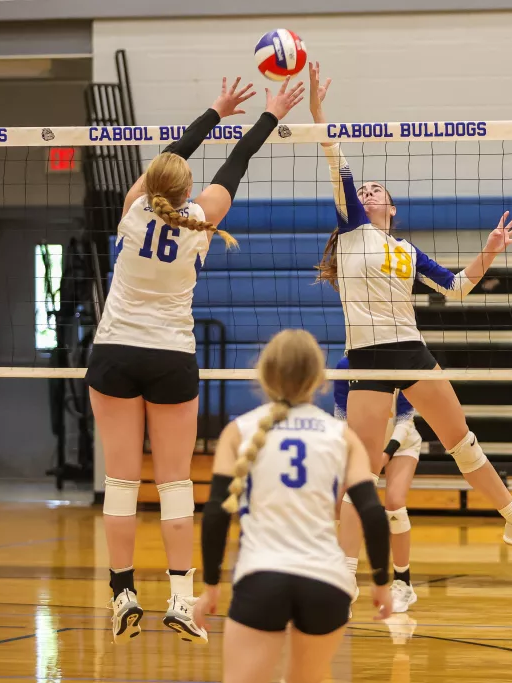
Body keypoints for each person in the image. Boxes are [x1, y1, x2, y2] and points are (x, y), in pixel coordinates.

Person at [308, 62, 512, 555]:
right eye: (362, 190)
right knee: (361, 474)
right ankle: (340, 573)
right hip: (364, 356)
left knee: (461, 441)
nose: (366, 192)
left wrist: (491, 250)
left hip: (410, 353)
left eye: (375, 190)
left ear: (392, 207)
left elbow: (456, 288)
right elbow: (332, 155)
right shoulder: (351, 231)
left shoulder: (407, 252)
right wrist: (318, 112)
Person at [85, 75, 304, 645]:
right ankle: (182, 599)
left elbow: (171, 160)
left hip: (115, 353)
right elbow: (237, 163)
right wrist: (268, 113)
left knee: (120, 481)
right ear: (186, 194)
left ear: (152, 184)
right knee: (176, 482)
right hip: (171, 358)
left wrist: (212, 109)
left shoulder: (132, 213)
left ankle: (122, 590)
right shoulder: (201, 224)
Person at [193, 329, 393, 683]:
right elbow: (372, 513)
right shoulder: (341, 435)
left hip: (261, 577)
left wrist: (210, 586)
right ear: (319, 380)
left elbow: (216, 513)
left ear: (264, 373)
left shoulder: (238, 431)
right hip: (326, 584)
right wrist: (381, 582)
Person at [333, 355, 420, 613]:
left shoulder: (402, 361)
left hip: (400, 443)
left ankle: (403, 582)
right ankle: (344, 583)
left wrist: (385, 453)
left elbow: (406, 420)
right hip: (362, 441)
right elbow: (340, 416)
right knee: (338, 502)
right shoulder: (345, 366)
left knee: (394, 503)